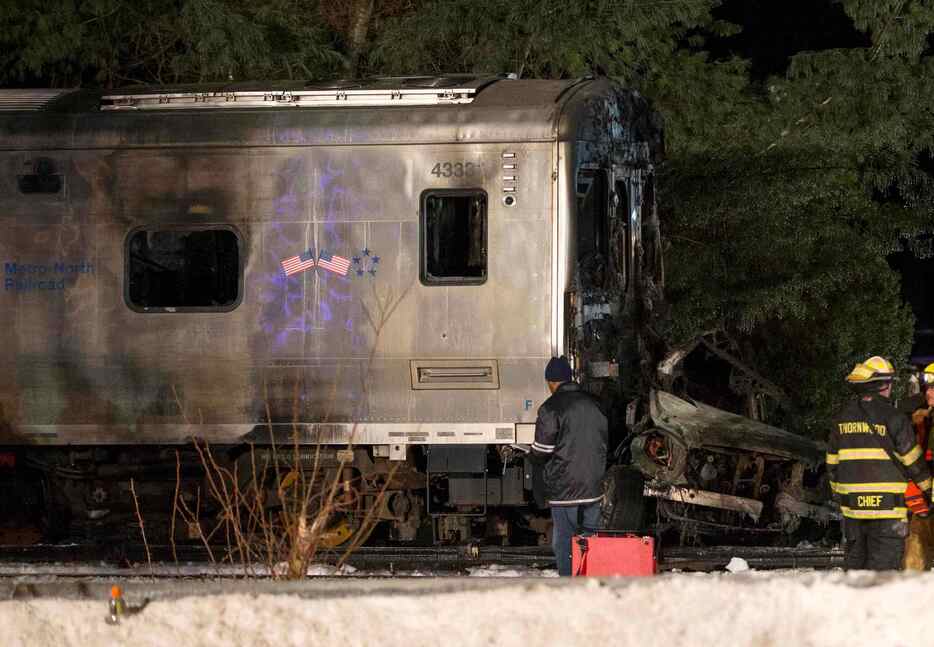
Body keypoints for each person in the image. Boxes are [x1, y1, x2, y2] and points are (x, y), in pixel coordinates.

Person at [828, 356, 933, 570]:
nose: (927, 392)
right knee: (883, 575)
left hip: (854, 512)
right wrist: (928, 490)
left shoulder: (841, 419)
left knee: (856, 570)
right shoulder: (895, 418)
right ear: (884, 384)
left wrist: (844, 497)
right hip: (888, 512)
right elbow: (913, 461)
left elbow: (832, 465)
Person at [530, 356, 608, 576]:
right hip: (594, 484)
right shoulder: (595, 403)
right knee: (590, 535)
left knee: (564, 538)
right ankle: (590, 577)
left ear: (551, 381)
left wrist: (532, 454)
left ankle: (568, 583)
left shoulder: (550, 407)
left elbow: (543, 450)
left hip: (565, 489)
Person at [904, 363, 934, 570]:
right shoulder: (924, 420)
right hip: (924, 503)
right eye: (928, 388)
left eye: (933, 387)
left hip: (927, 498)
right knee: (914, 547)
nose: (928, 392)